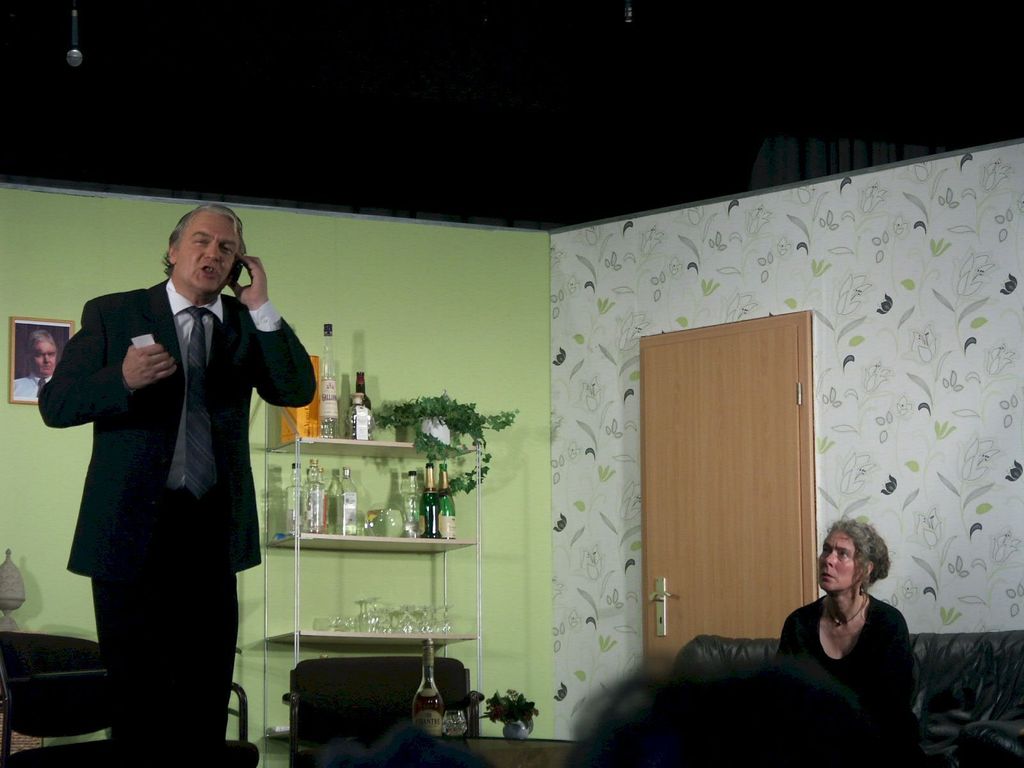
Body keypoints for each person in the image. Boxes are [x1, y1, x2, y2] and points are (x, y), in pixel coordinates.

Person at [39, 204, 316, 765]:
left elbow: (294, 389)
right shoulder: (114, 313)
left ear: (238, 263)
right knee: (136, 707)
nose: (212, 254)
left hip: (211, 537)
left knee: (203, 706)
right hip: (128, 538)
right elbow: (57, 404)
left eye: (226, 248)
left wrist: (261, 306)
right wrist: (121, 378)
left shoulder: (244, 322)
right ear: (172, 250)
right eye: (201, 241)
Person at [778, 519, 924, 762]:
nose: (828, 560)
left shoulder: (888, 624)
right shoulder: (799, 624)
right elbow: (783, 701)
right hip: (816, 748)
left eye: (842, 554)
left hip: (880, 748)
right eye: (826, 550)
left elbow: (892, 711)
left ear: (865, 569)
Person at [12, 328, 58, 399]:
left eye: (51, 354)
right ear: (29, 357)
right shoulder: (14, 387)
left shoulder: (65, 388)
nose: (47, 360)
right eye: (40, 354)